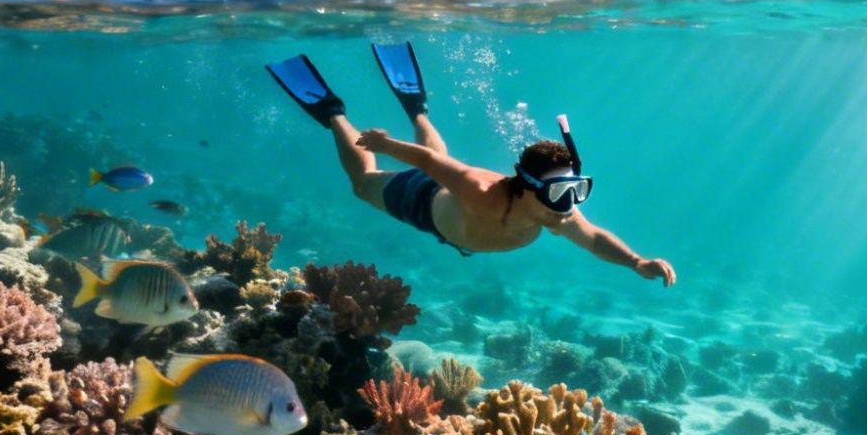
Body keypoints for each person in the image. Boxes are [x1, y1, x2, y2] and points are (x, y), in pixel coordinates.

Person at [268, 43, 676, 285]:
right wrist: (384, 144)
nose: (570, 202)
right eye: (559, 192)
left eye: (577, 189)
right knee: (364, 183)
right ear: (529, 187)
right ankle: (333, 111)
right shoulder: (480, 190)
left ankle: (417, 110)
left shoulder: (557, 216)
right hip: (422, 202)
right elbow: (427, 161)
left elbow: (596, 239)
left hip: (451, 216)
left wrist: (636, 261)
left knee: (441, 160)